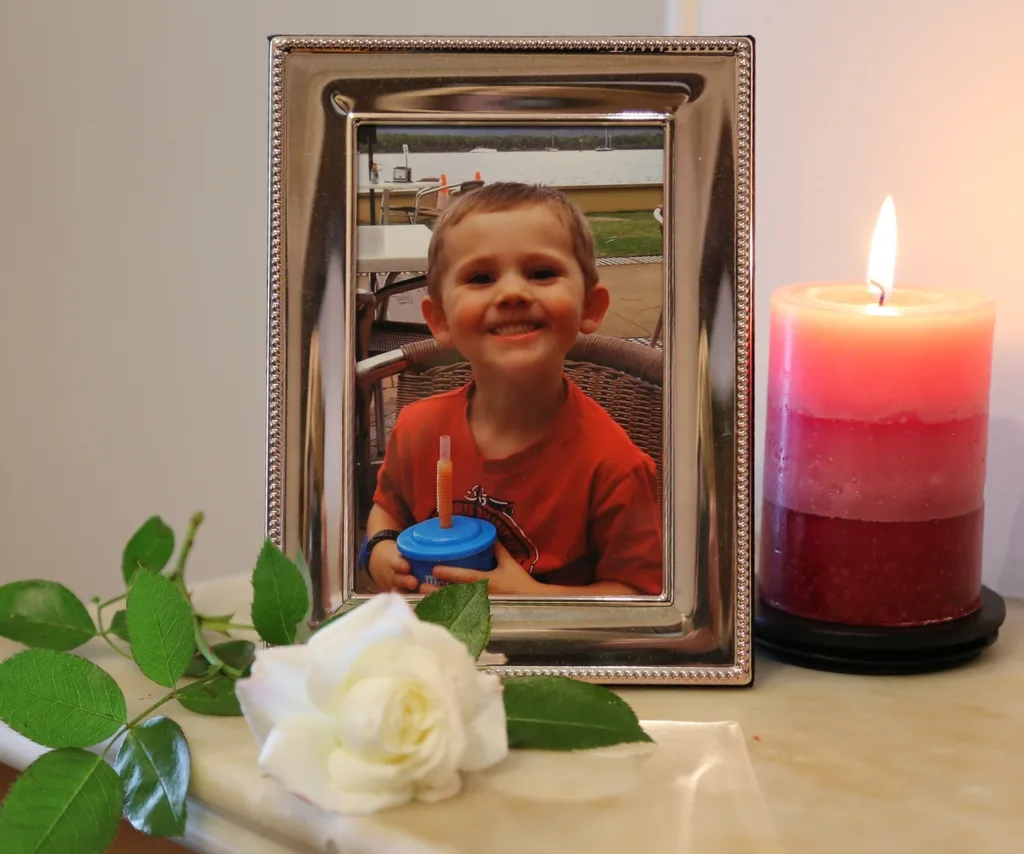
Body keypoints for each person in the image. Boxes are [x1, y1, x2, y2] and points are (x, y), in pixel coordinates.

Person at [360, 181, 663, 596]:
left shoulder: (614, 466)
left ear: (589, 308)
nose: (513, 293)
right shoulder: (416, 429)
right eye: (481, 277)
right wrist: (379, 549)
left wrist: (534, 598)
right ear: (441, 320)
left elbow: (638, 597)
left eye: (541, 273)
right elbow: (387, 508)